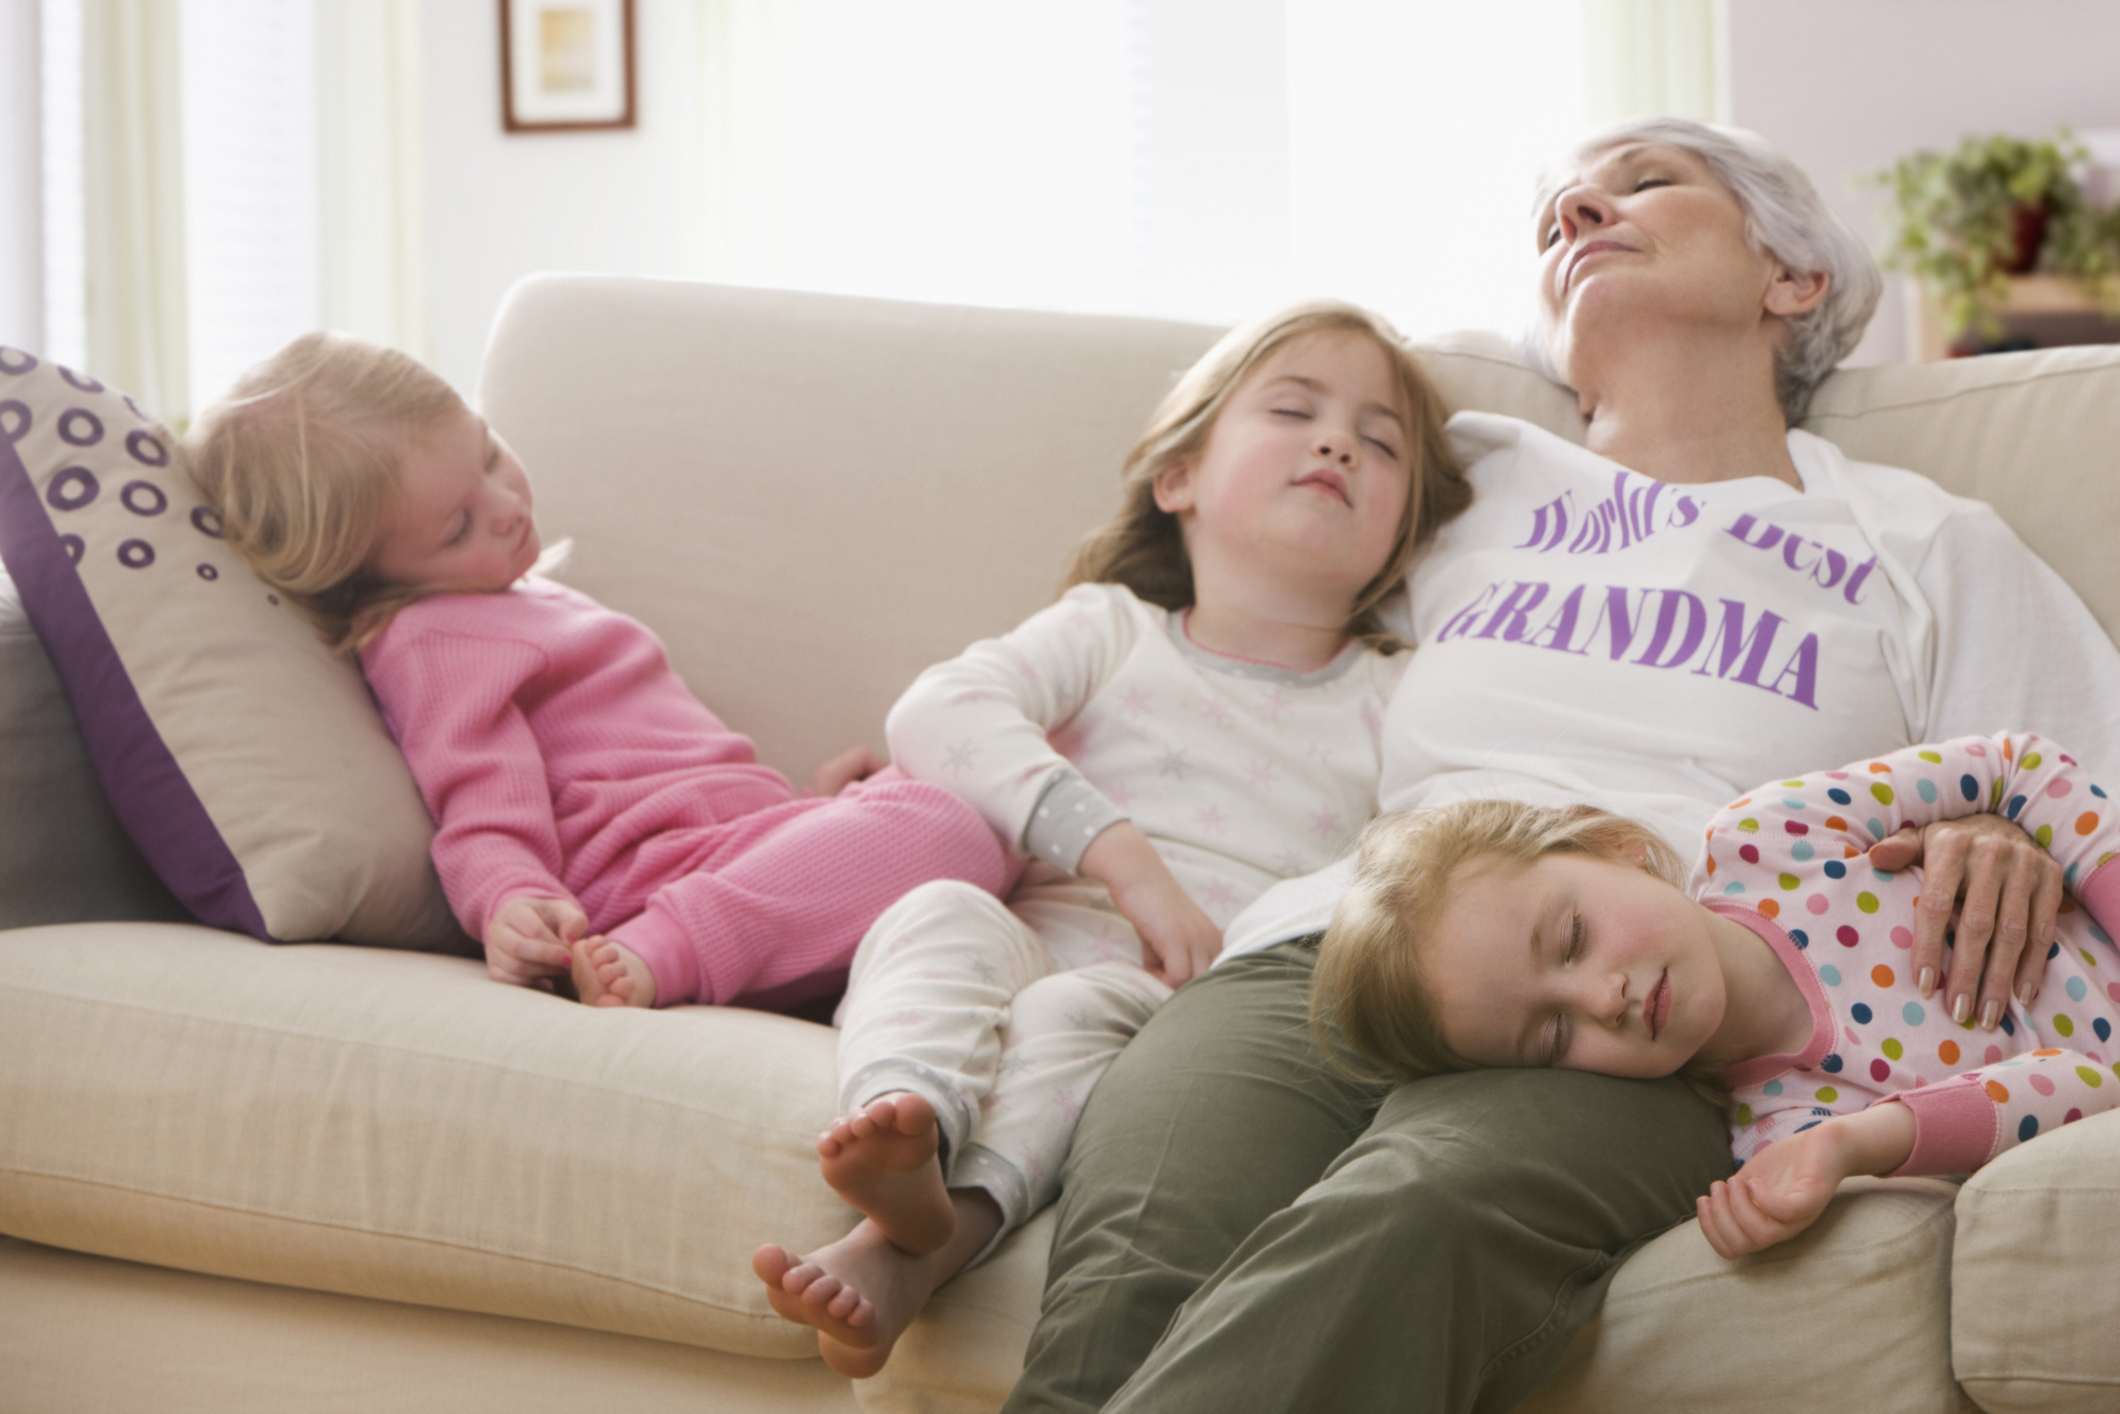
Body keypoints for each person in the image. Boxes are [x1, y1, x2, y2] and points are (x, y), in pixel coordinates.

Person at [1001, 118, 2120, 1414]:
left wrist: (2003, 830)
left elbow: (2074, 777)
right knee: (1142, 1248)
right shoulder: (1462, 482)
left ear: (1793, 279)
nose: (1582, 212)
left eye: (1644, 184)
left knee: (1419, 1211)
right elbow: (1216, 617)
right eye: (1556, 217)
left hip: (1636, 1006)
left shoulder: (1919, 540)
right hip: (1335, 943)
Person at [750, 300, 1470, 1376]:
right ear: (1176, 478)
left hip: (1186, 999)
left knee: (1071, 1011)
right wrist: (1122, 859)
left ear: (1399, 542)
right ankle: (904, 1123)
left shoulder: (1394, 695)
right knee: (934, 912)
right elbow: (940, 711)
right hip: (1043, 925)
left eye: (1379, 442)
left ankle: (917, 1240)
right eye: (1291, 409)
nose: (1336, 442)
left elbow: (1425, 865)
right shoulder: (1107, 628)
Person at [184, 332, 1017, 1011]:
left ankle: (773, 908)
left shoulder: (517, 598)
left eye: (487, 455)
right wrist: (510, 898)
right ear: (370, 575)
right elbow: (479, 796)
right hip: (649, 883)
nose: (506, 506)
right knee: (961, 817)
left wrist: (812, 810)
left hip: (722, 847)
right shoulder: (435, 638)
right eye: (456, 527)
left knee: (982, 801)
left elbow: (658, 763)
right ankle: (664, 953)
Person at [1314, 728, 2120, 1259]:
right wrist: (1858, 1146)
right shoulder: (1786, 1128)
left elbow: (2018, 766)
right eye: (1553, 1036)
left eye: (1572, 939)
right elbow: (2091, 1086)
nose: (1603, 999)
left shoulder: (1770, 838)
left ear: (1616, 848)